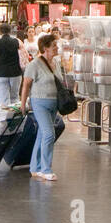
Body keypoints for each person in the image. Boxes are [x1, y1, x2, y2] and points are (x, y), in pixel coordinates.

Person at [21, 33, 63, 183]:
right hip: (39, 103)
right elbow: (26, 85)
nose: (57, 48)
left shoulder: (56, 63)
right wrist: (23, 103)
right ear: (45, 48)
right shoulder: (34, 65)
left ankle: (35, 167)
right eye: (54, 46)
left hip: (54, 103)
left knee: (42, 134)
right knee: (49, 134)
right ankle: (46, 169)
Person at [0, 23, 23, 104]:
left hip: (1, 73)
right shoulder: (17, 42)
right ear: (10, 31)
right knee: (15, 98)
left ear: (0, 32)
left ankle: (5, 115)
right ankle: (15, 115)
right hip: (16, 73)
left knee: (4, 100)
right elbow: (23, 56)